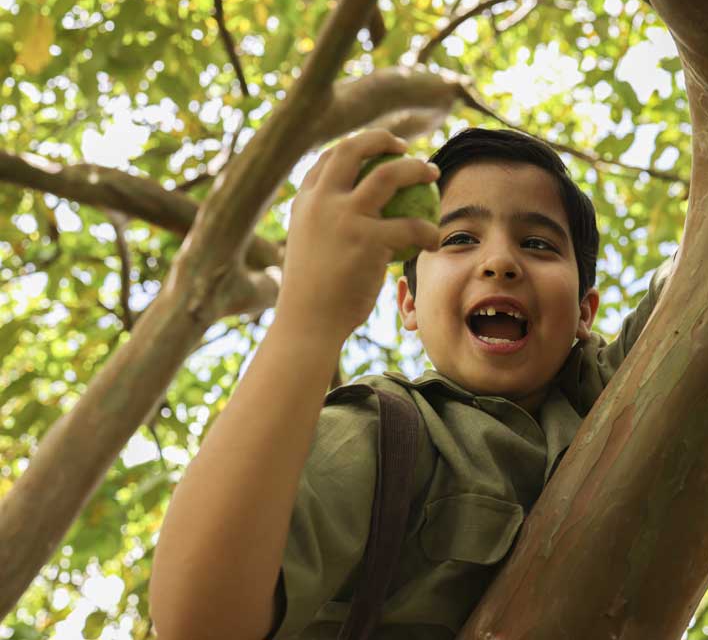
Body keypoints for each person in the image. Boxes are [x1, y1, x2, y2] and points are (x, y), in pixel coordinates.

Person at [150, 127, 675, 639]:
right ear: (409, 303)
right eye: (460, 238)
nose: (499, 262)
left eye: (537, 243)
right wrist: (310, 316)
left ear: (585, 312)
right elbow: (199, 620)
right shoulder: (386, 433)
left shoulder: (618, 388)